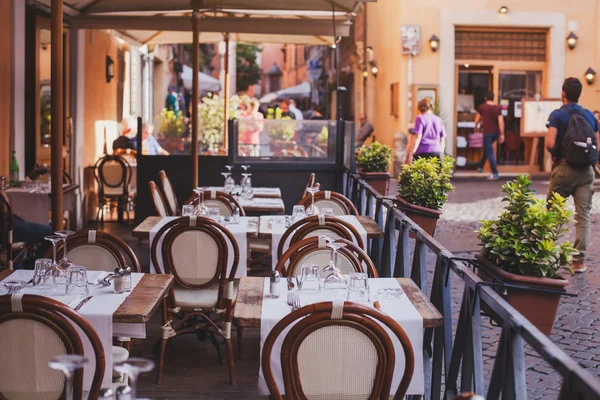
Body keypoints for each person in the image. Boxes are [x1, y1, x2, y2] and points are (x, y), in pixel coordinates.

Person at [546, 77, 599, 273]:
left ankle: (549, 257)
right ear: (579, 94)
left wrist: (558, 154)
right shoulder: (590, 116)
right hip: (586, 172)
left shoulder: (558, 115)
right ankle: (579, 262)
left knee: (553, 212)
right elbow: (598, 146)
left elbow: (550, 143)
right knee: (583, 216)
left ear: (563, 94)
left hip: (564, 168)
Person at [404, 98, 446, 163]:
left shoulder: (420, 118)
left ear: (420, 108)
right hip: (437, 152)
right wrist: (441, 153)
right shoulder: (439, 119)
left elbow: (418, 137)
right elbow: (442, 139)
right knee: (436, 173)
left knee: (420, 173)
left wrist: (411, 153)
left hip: (422, 152)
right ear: (431, 107)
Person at [474, 91, 505, 180]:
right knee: (487, 149)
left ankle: (495, 173)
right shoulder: (497, 108)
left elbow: (476, 119)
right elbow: (501, 122)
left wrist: (476, 127)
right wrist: (502, 134)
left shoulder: (482, 107)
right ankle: (480, 167)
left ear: (485, 98)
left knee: (490, 152)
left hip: (487, 133)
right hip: (495, 133)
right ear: (493, 98)